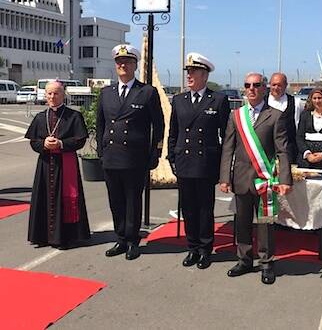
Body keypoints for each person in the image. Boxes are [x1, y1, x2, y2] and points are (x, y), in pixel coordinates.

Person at [219, 72, 292, 285]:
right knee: (241, 222)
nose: (251, 88)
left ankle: (267, 262)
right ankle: (244, 259)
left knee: (265, 224)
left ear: (264, 88)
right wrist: (225, 177)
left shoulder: (276, 115)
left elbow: (283, 151)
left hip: (264, 180)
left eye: (256, 85)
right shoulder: (236, 116)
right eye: (247, 85)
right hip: (241, 179)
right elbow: (228, 148)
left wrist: (285, 179)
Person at [97, 44, 164, 261]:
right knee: (115, 200)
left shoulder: (146, 92)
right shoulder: (106, 93)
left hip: (135, 157)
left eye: (127, 62)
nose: (122, 65)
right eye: (119, 62)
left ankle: (133, 240)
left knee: (132, 200)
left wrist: (155, 152)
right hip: (111, 156)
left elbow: (159, 125)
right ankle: (120, 238)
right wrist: (101, 148)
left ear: (135, 65)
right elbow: (100, 124)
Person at [167, 52, 230, 269]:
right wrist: (171, 156)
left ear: (204, 74)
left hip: (206, 163)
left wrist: (223, 165)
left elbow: (226, 135)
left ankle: (205, 249)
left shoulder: (218, 99)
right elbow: (173, 131)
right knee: (189, 208)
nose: (189, 76)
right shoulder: (179, 100)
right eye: (188, 72)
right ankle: (192, 247)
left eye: (193, 72)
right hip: (184, 162)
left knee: (205, 208)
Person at [25, 81, 91, 249]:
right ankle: (42, 236)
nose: (52, 97)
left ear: (63, 95)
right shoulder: (40, 117)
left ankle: (66, 237)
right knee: (44, 198)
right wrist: (44, 144)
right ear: (45, 95)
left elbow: (80, 140)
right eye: (49, 94)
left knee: (64, 199)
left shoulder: (74, 116)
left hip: (65, 165)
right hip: (45, 165)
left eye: (56, 93)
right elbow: (33, 142)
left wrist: (61, 144)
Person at [268, 72, 303, 165]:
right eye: (274, 84)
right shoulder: (262, 102)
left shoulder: (296, 103)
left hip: (289, 151)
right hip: (266, 152)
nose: (276, 88)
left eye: (279, 85)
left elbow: (299, 127)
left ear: (285, 86)